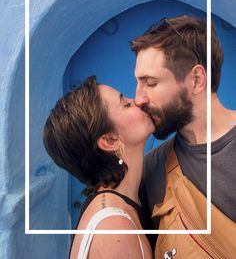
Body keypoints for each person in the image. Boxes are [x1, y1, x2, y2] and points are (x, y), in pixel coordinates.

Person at [130, 15, 236, 258]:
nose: (139, 98)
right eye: (138, 82)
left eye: (151, 83)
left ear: (196, 80)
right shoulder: (152, 169)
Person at [43, 76, 154, 259]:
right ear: (110, 141)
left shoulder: (121, 202)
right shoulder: (115, 231)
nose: (138, 101)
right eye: (126, 104)